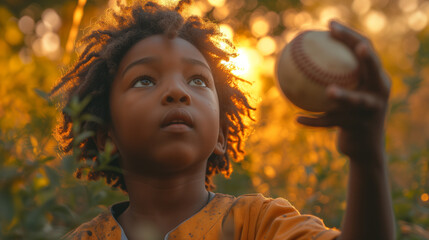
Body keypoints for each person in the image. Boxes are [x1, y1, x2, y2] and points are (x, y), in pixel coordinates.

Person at [52, 0, 395, 239]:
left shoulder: (259, 224)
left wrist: (366, 157)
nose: (177, 92)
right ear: (105, 136)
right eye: (145, 80)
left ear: (219, 134)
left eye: (198, 80)